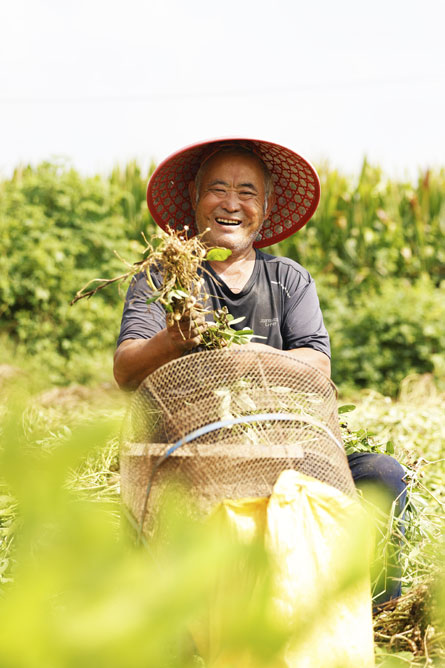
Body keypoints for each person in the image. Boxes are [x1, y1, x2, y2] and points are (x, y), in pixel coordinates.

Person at [114, 138, 406, 604]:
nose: (232, 204)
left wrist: (238, 359)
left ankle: (376, 615)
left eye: (247, 192)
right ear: (194, 198)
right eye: (218, 189)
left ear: (265, 208)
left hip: (289, 452)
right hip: (191, 458)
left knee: (384, 475)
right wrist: (172, 341)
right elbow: (126, 370)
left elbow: (317, 361)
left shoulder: (289, 279)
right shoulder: (163, 278)